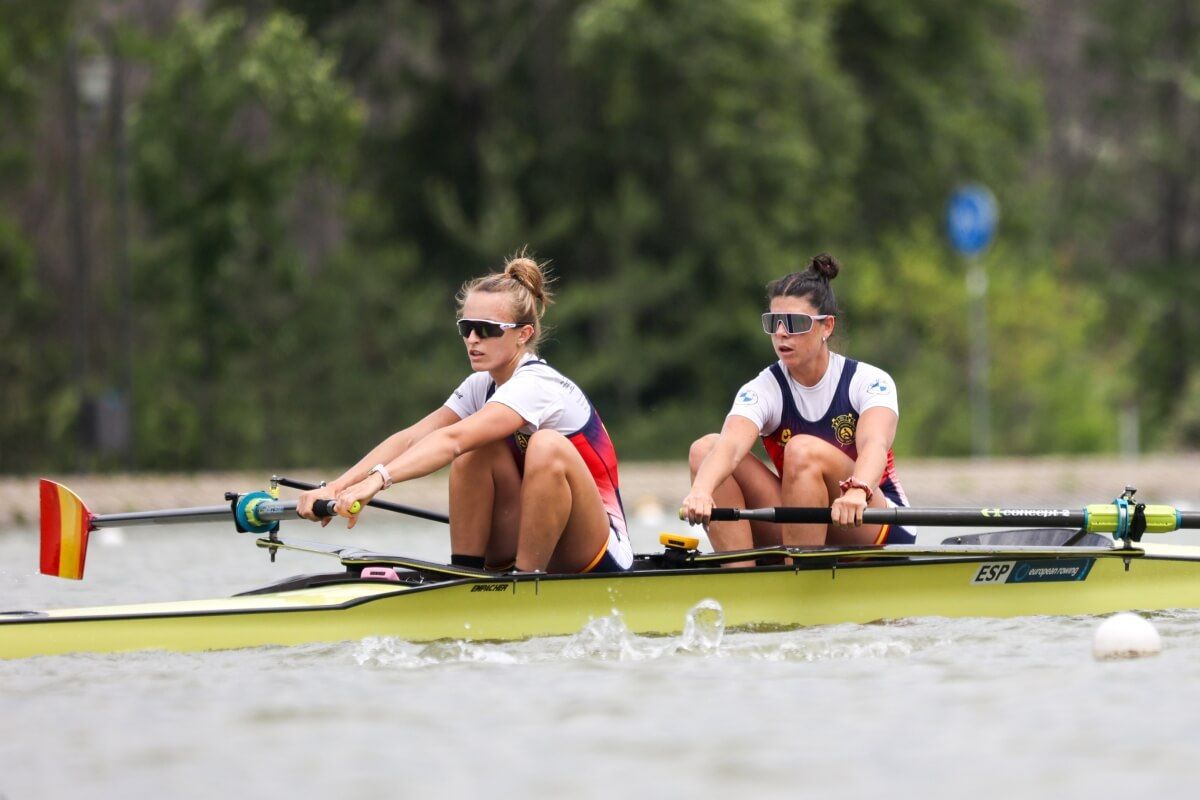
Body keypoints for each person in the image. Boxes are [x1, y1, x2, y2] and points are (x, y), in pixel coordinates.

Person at [298, 251, 633, 574]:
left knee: (544, 445)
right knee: (477, 453)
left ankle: (525, 581)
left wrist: (376, 482)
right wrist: (336, 488)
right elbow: (413, 438)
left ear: (524, 334)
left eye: (487, 329)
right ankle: (467, 574)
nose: (472, 339)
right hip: (537, 534)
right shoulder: (480, 385)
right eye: (466, 327)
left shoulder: (537, 385)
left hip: (596, 547)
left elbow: (452, 440)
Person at [680, 252, 913, 552]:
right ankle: (739, 574)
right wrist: (701, 490)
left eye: (794, 322)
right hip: (805, 520)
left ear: (827, 327)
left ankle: (799, 572)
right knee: (704, 450)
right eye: (774, 322)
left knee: (802, 450)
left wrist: (857, 489)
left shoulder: (868, 381)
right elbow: (731, 447)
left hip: (872, 520)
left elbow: (874, 445)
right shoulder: (764, 388)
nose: (781, 333)